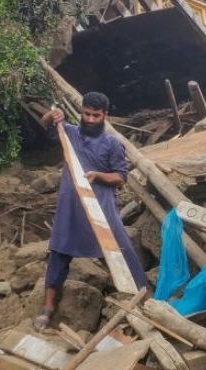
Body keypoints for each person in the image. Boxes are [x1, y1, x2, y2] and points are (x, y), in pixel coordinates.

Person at [33, 92, 147, 331]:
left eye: (96, 115)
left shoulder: (112, 144)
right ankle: (47, 308)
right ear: (81, 112)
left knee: (122, 252)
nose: (91, 119)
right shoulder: (69, 133)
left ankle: (144, 301)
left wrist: (98, 175)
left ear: (105, 115)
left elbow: (121, 177)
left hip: (102, 209)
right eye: (87, 114)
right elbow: (44, 126)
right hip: (70, 208)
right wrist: (51, 116)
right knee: (58, 252)